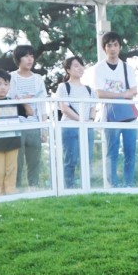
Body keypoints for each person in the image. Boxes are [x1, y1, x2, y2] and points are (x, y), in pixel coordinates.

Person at [93, 31, 138, 188]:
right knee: (112, 152)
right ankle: (113, 185)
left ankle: (129, 184)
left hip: (128, 115)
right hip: (110, 115)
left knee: (130, 152)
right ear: (104, 48)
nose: (112, 48)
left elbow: (134, 91)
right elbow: (100, 93)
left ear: (120, 47)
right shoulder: (99, 68)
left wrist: (117, 95)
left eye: (115, 45)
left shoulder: (127, 68)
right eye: (109, 45)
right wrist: (122, 94)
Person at [9, 44, 48, 191]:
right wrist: (22, 101)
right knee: (16, 161)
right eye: (26, 56)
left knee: (34, 161)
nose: (30, 59)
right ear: (19, 58)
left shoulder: (38, 79)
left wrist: (44, 128)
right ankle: (16, 190)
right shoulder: (12, 77)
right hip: (17, 125)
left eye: (32, 56)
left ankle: (34, 189)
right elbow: (10, 100)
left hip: (34, 125)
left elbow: (42, 105)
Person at [56, 56, 94, 188]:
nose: (80, 68)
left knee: (87, 159)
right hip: (69, 127)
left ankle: (86, 188)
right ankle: (69, 188)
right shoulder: (63, 87)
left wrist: (91, 120)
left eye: (81, 65)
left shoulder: (89, 89)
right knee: (70, 160)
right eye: (76, 66)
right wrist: (82, 120)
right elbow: (64, 108)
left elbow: (93, 108)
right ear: (68, 70)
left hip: (87, 128)